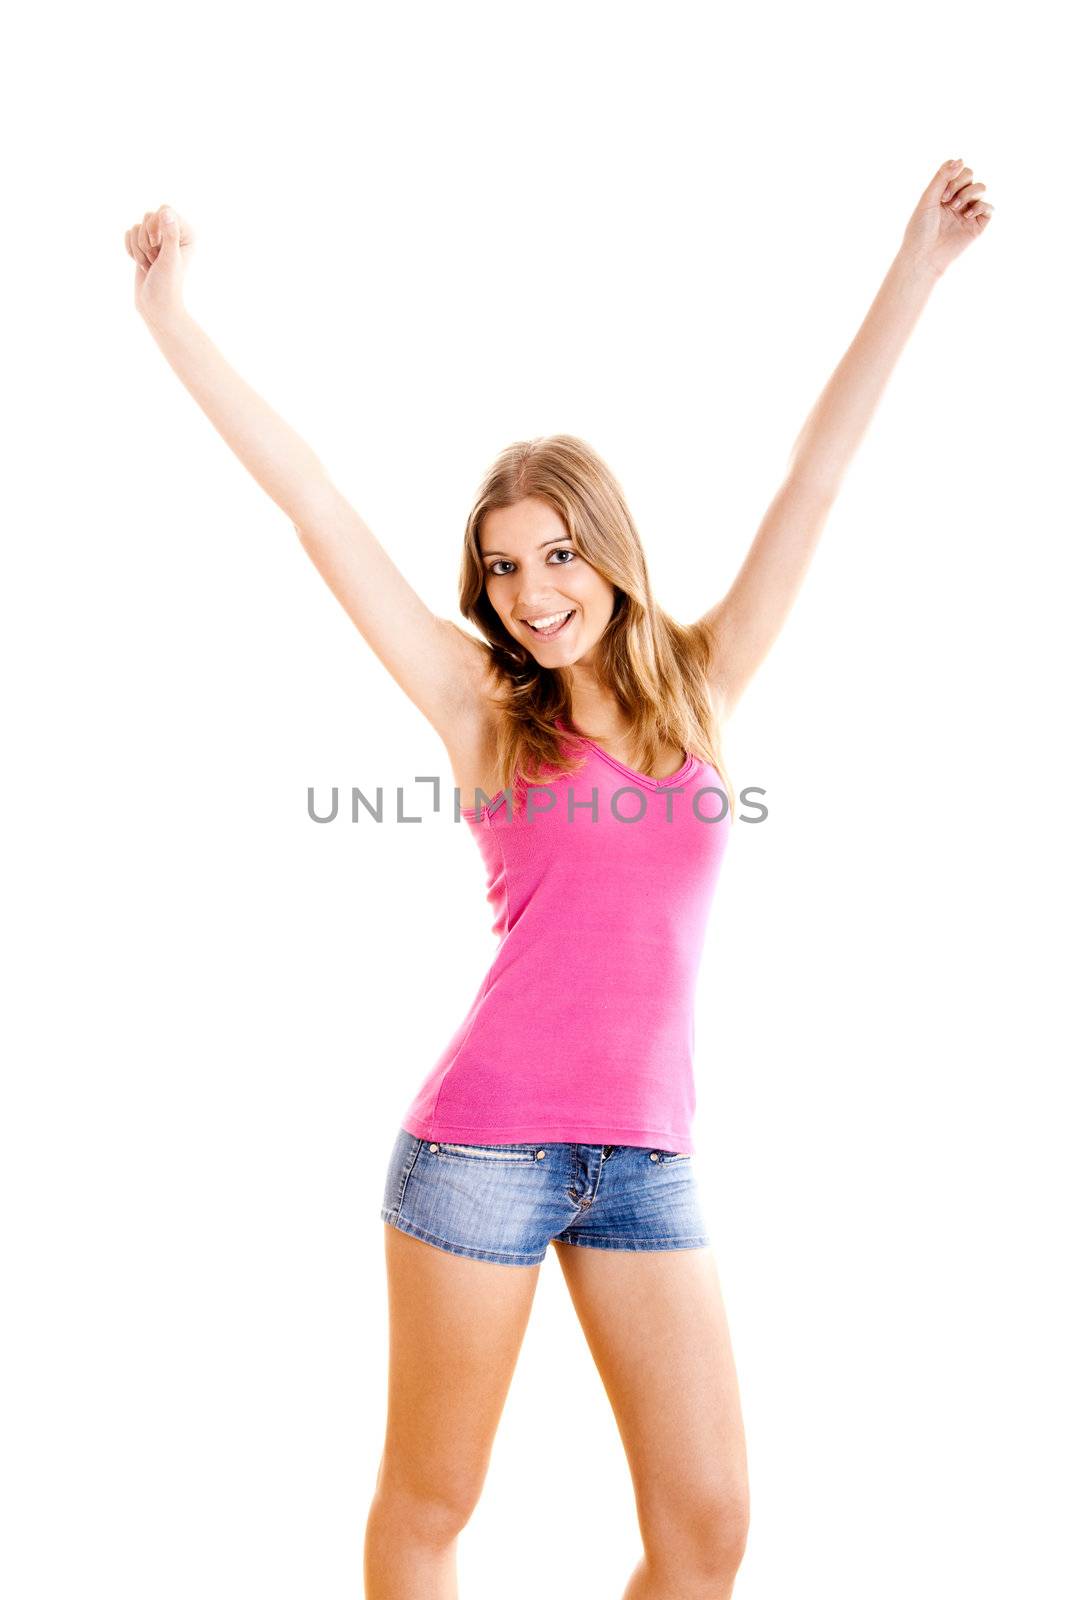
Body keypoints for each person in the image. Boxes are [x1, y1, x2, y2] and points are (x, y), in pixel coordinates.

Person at [123, 157, 993, 1600]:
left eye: (559, 554)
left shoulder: (702, 689)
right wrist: (170, 316)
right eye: (506, 567)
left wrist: (918, 264)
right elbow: (319, 508)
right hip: (481, 1154)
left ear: (612, 554)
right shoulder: (480, 712)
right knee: (429, 1504)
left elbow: (815, 476)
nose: (534, 592)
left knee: (706, 1530)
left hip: (649, 1159)